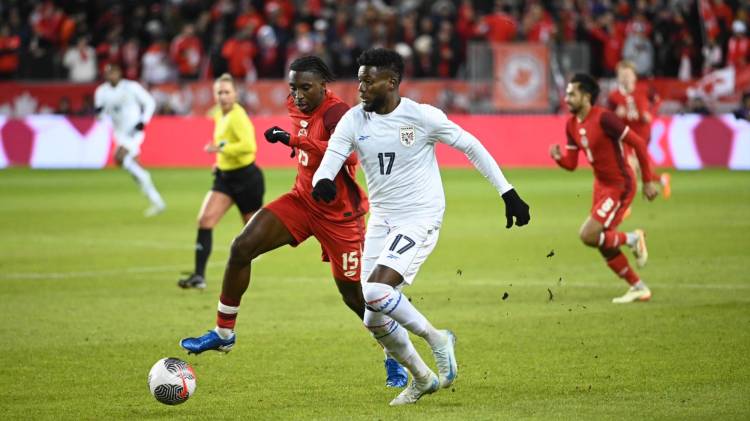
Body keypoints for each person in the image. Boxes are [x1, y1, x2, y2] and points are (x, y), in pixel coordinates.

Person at [311, 48, 531, 406]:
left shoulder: (422, 117)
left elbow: (471, 146)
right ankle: (422, 378)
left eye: (369, 79)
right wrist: (323, 179)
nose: (361, 86)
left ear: (392, 82)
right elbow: (334, 154)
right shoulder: (355, 120)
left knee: (376, 292)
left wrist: (508, 192)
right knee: (373, 318)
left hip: (420, 216)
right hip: (382, 218)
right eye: (359, 78)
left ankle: (437, 338)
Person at [179, 56, 408, 388]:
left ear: (322, 86)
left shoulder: (336, 113)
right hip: (301, 200)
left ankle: (396, 357)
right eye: (293, 87)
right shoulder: (296, 105)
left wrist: (295, 141)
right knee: (241, 247)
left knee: (356, 297)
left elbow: (352, 154)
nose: (298, 94)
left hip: (339, 216)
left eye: (305, 87)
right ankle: (223, 332)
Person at [550, 73, 659, 305]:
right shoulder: (571, 124)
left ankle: (633, 238)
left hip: (620, 184)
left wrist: (648, 180)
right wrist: (559, 158)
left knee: (588, 235)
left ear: (587, 96)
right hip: (600, 186)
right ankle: (638, 287)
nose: (567, 98)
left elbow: (638, 143)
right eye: (567, 94)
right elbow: (571, 164)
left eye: (572, 94)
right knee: (601, 240)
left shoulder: (605, 119)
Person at [178, 73, 265, 289]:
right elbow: (225, 141)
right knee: (205, 220)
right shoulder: (219, 114)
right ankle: (199, 276)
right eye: (219, 92)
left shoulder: (238, 116)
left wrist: (221, 149)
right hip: (225, 178)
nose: (223, 96)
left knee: (251, 231)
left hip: (246, 178)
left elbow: (249, 147)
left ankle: (247, 267)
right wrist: (220, 160)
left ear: (235, 94)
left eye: (227, 92)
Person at [95, 63, 166, 217]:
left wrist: (143, 121)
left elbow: (149, 102)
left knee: (119, 157)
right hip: (119, 133)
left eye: (114, 72)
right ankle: (157, 201)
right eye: (108, 73)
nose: (111, 76)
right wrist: (99, 114)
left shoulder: (131, 87)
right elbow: (100, 114)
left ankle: (156, 198)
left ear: (119, 73)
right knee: (131, 167)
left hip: (134, 131)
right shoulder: (101, 92)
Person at [608, 60, 671, 199]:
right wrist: (615, 115)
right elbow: (608, 116)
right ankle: (661, 180)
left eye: (628, 75)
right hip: (625, 135)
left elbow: (657, 100)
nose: (625, 78)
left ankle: (624, 201)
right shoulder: (613, 96)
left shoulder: (644, 89)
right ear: (618, 77)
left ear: (634, 77)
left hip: (642, 134)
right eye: (622, 75)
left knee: (632, 167)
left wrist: (650, 113)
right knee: (631, 166)